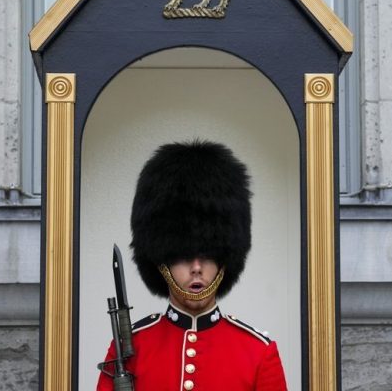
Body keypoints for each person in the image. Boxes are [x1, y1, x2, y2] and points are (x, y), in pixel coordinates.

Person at [97, 140, 288, 390]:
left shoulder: (258, 351)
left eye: (207, 256)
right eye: (183, 256)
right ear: (161, 262)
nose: (196, 267)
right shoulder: (129, 348)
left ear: (224, 261)